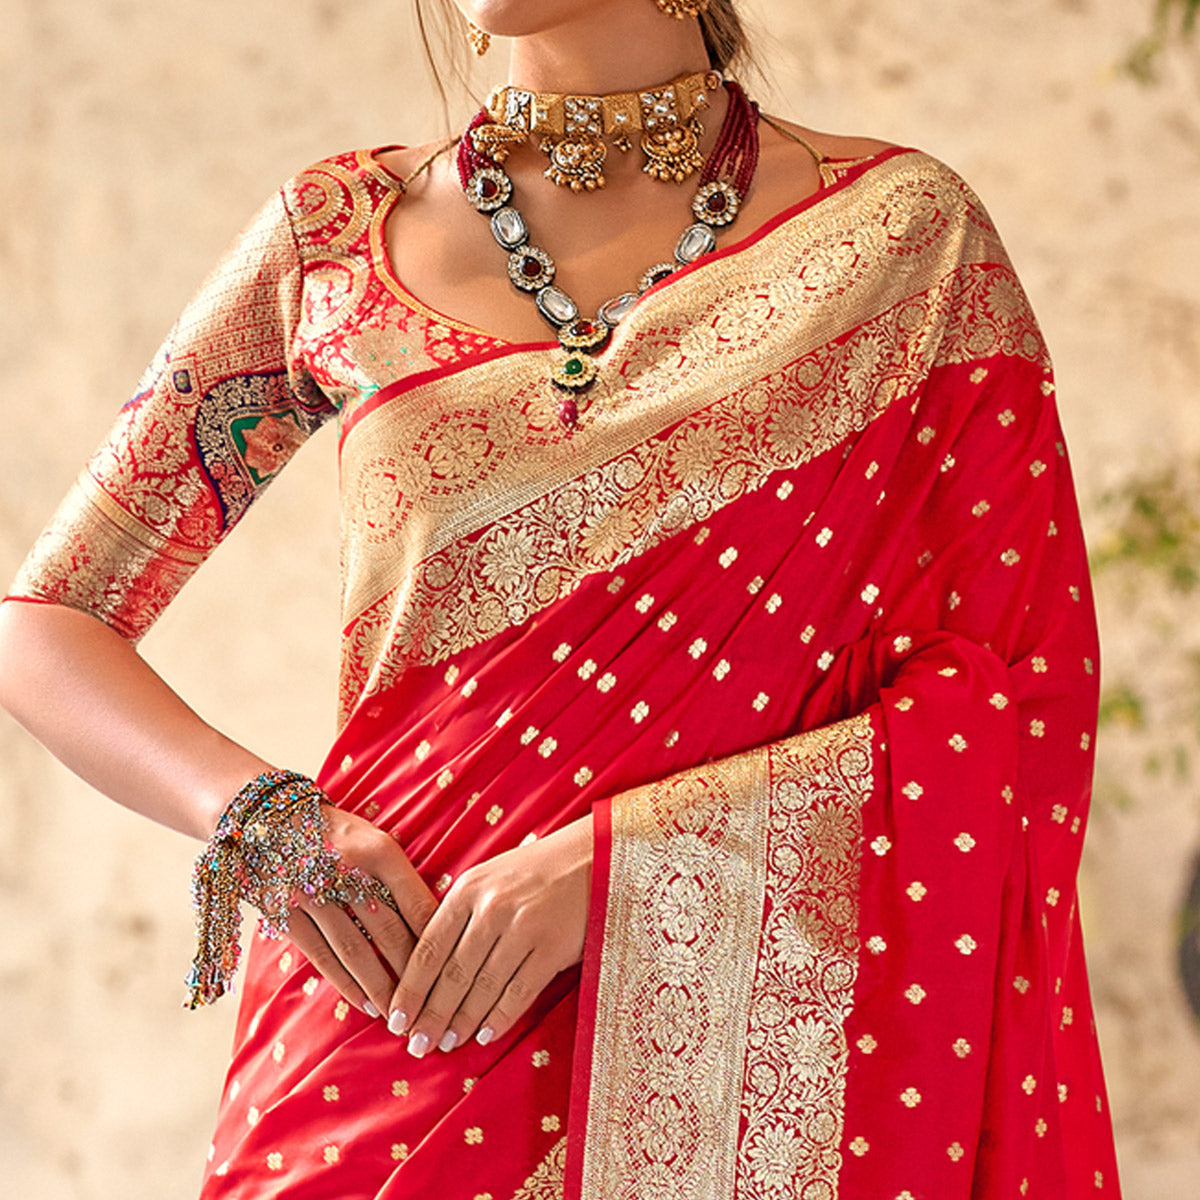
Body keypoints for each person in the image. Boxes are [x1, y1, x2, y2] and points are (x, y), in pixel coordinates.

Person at [0, 0, 1122, 1196]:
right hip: (390, 1014)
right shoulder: (335, 236)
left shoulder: (901, 244)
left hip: (754, 1029)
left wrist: (634, 868)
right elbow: (45, 623)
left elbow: (1014, 714)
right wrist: (268, 822)